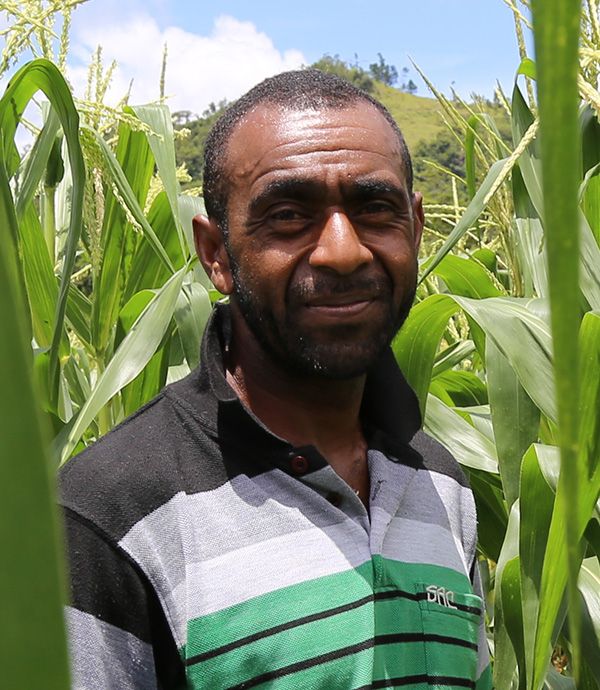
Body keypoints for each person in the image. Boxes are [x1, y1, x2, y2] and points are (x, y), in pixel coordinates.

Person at [60, 69, 492, 690]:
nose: (343, 251)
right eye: (288, 216)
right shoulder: (105, 519)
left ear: (416, 229)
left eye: (375, 209)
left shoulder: (442, 486)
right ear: (216, 254)